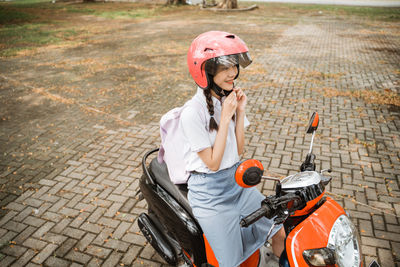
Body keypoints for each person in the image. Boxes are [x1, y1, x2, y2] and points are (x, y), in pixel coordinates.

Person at [180, 31, 285, 267]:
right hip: (210, 195)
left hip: (237, 185)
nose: (233, 73)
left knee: (278, 230)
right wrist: (226, 117)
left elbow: (239, 151)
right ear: (205, 70)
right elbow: (213, 163)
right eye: (225, 67)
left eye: (234, 66)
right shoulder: (191, 112)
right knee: (231, 262)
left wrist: (240, 111)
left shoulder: (227, 100)